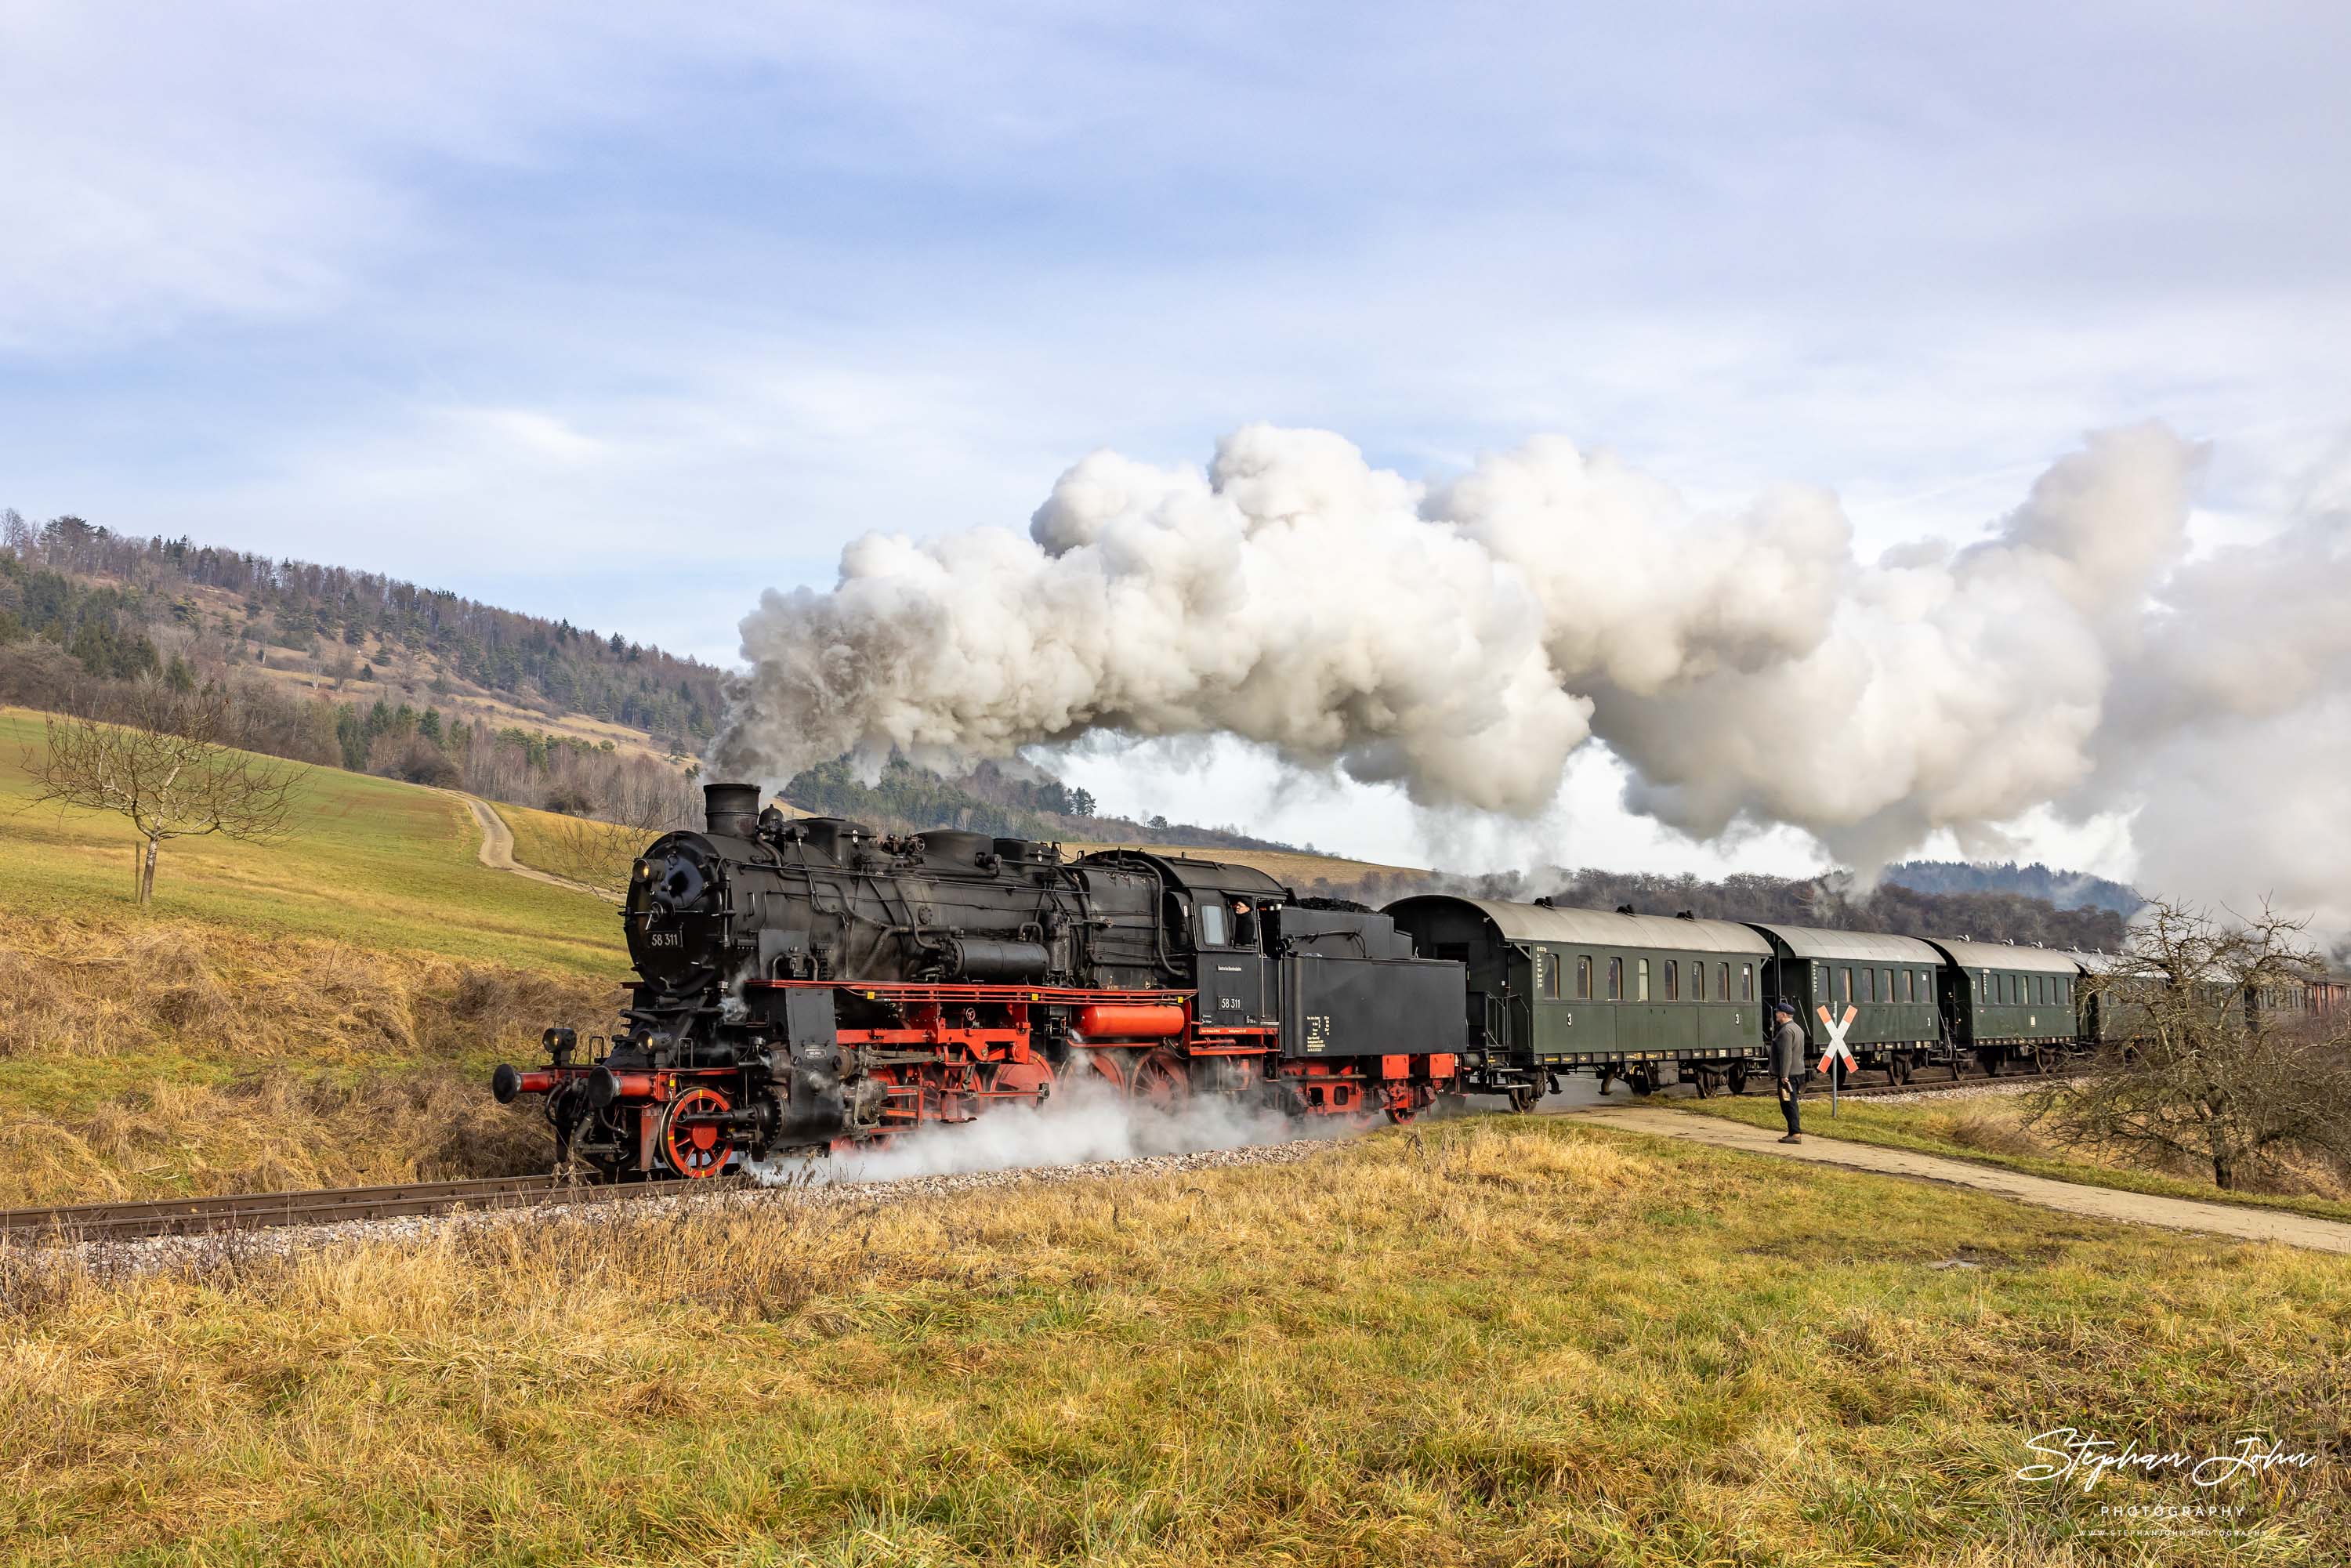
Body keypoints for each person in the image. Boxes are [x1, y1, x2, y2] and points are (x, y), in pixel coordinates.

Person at [1769, 1000, 1806, 1143]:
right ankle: (1793, 1132)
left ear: (1783, 1014)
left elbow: (1786, 1055)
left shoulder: (1786, 1031)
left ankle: (1795, 1134)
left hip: (1789, 1074)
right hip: (1797, 1072)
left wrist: (1784, 1075)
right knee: (1790, 1102)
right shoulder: (1797, 1028)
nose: (1776, 1015)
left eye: (1777, 1013)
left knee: (1788, 1104)